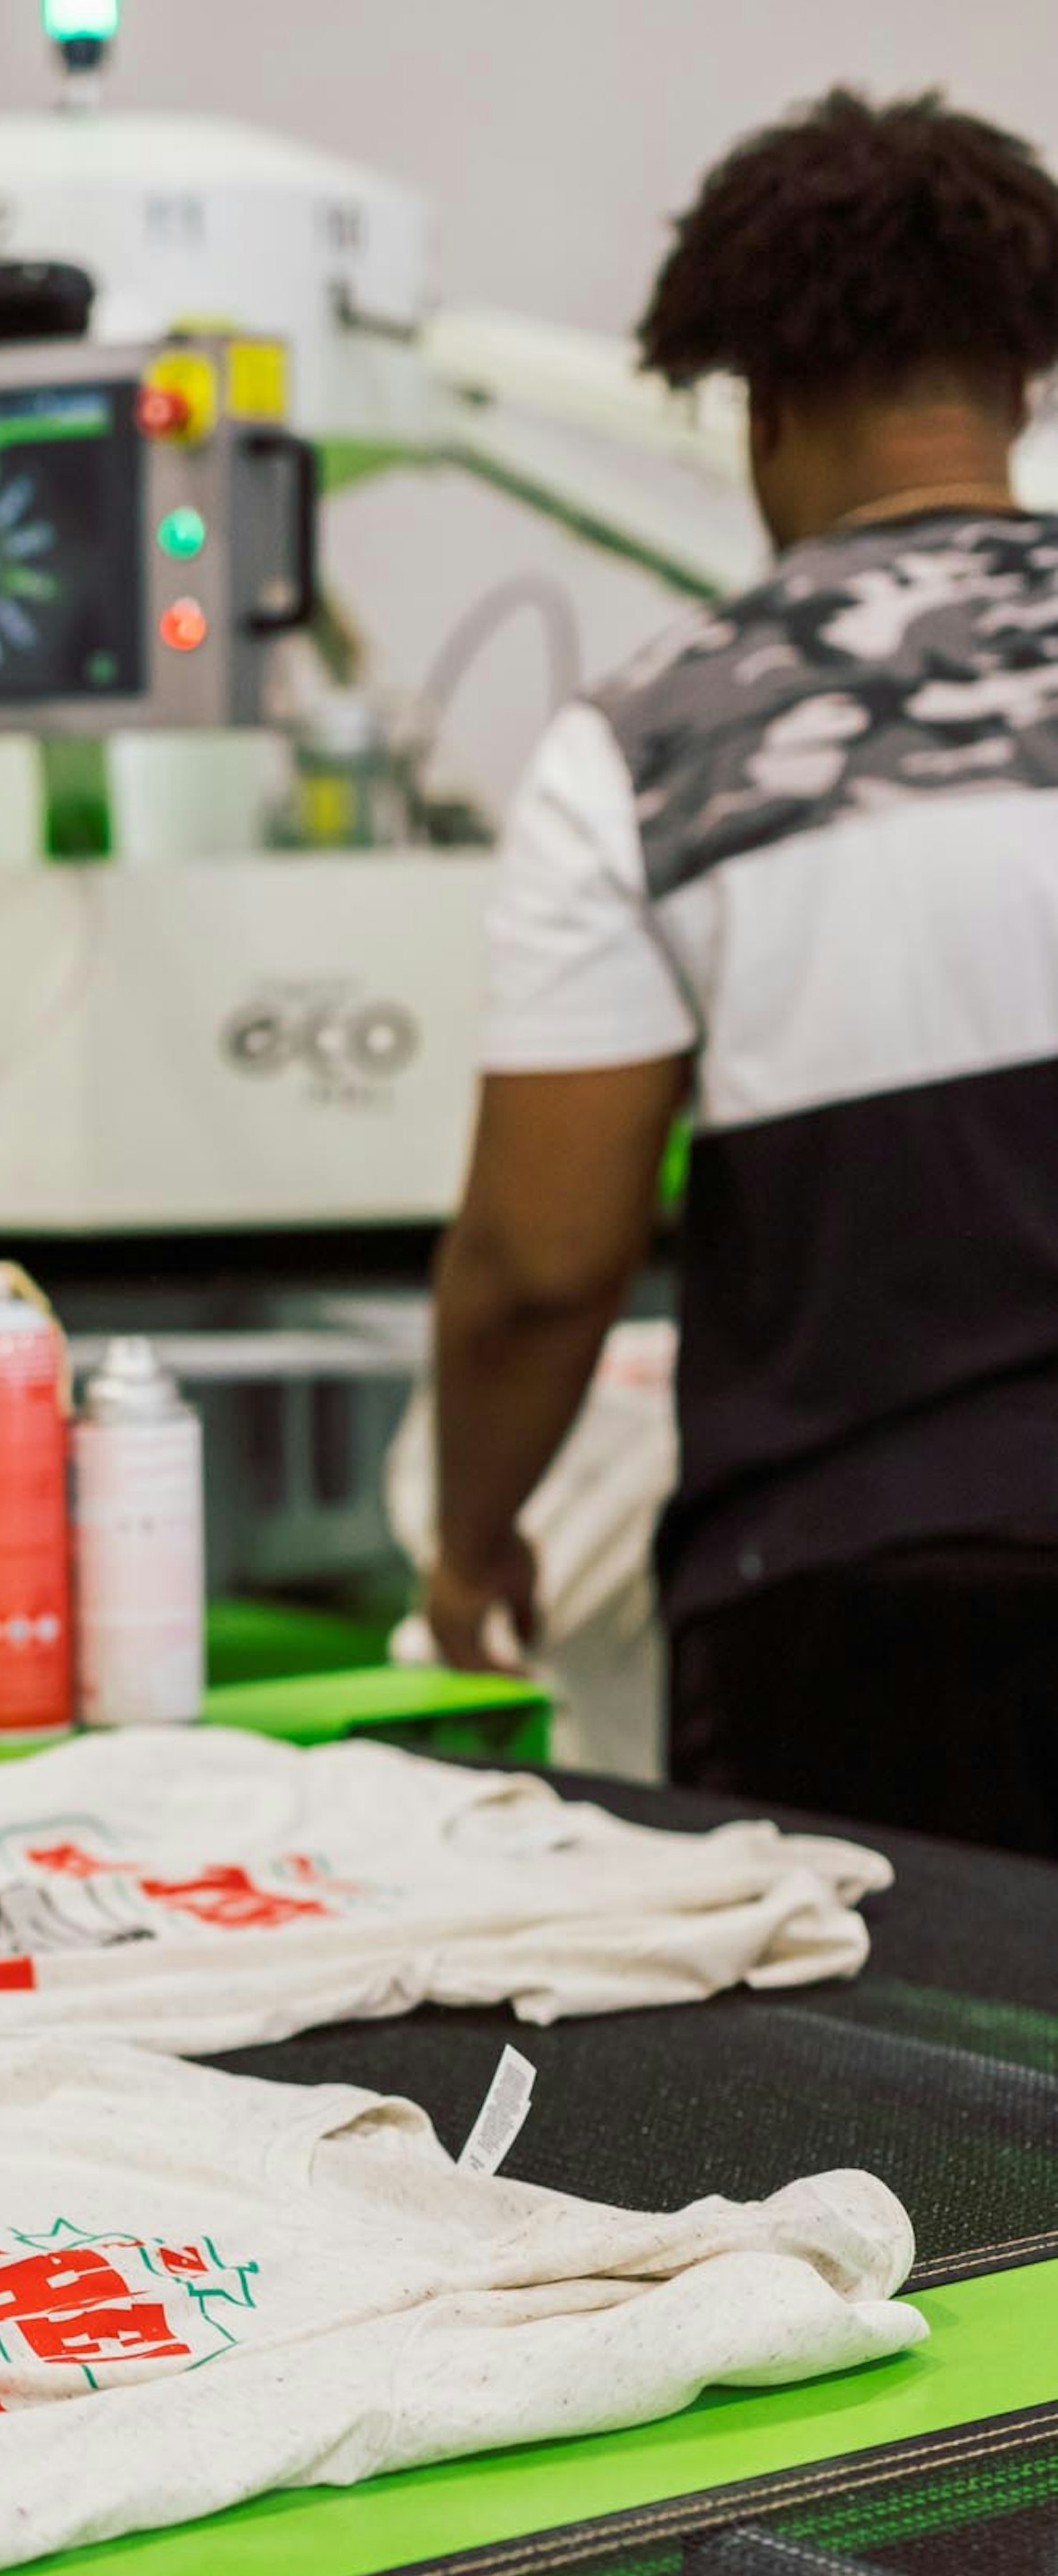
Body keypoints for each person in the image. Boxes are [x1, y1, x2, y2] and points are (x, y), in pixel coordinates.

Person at [427, 89, 1058, 1852]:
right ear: (1020, 382)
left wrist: (472, 1538)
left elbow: (539, 1262)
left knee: (923, 2122)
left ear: (757, 410)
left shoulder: (644, 745)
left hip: (856, 1616)